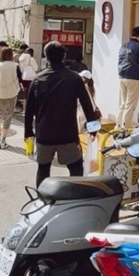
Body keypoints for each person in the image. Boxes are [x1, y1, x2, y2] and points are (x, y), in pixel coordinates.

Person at [24, 42, 99, 187]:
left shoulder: (38, 79)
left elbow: (29, 109)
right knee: (75, 167)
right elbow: (87, 105)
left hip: (44, 134)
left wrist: (28, 131)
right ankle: (76, 199)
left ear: (46, 58)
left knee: (43, 168)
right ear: (64, 57)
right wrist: (93, 127)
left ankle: (42, 198)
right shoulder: (74, 78)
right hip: (68, 134)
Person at [0, 47, 20, 149]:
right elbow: (17, 79)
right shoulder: (15, 65)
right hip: (11, 93)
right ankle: (3, 140)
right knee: (8, 117)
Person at [17, 45, 37, 111]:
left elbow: (21, 69)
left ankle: (24, 109)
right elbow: (36, 68)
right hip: (31, 77)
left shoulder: (21, 58)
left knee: (25, 93)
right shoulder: (31, 58)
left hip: (24, 76)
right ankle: (30, 108)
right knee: (31, 93)